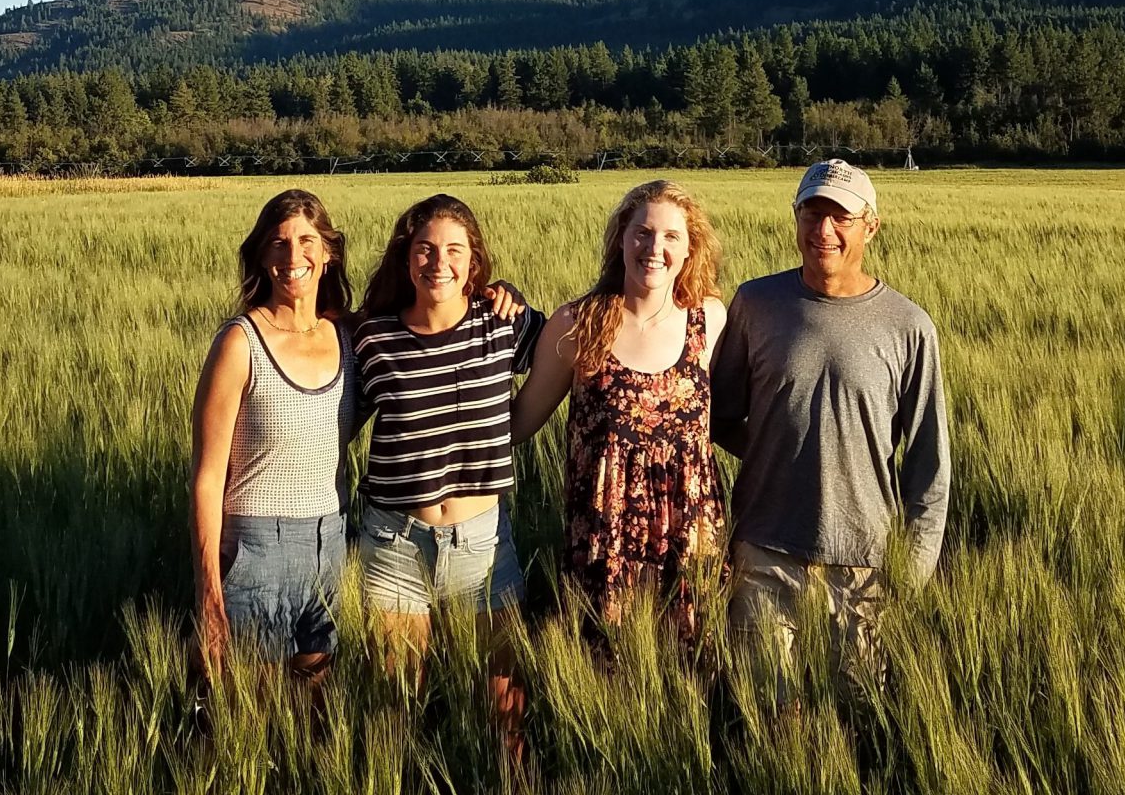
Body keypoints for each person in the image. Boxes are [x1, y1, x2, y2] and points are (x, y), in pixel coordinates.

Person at [709, 159, 950, 685]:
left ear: (871, 225)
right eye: (811, 213)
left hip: (864, 563)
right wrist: (780, 448)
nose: (824, 231)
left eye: (840, 217)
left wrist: (911, 570)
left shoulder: (909, 326)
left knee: (857, 716)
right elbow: (718, 414)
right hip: (764, 552)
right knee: (769, 715)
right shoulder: (755, 303)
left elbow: (930, 462)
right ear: (794, 217)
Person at [351, 194, 542, 745]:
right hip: (394, 545)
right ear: (406, 258)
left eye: (455, 250)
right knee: (396, 706)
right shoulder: (372, 337)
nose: (439, 262)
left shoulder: (507, 325)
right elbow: (332, 419)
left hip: (483, 547)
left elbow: (574, 347)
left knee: (505, 706)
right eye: (426, 249)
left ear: (474, 262)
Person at [512, 179, 729, 641]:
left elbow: (738, 413)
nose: (655, 248)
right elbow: (519, 422)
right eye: (643, 233)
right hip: (603, 542)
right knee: (606, 668)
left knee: (688, 678)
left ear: (690, 250)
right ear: (621, 240)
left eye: (672, 237)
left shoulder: (710, 320)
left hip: (689, 540)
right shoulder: (578, 324)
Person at [188, 189, 358, 684]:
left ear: (328, 253)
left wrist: (497, 294)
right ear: (262, 256)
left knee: (314, 710)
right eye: (278, 244)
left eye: (307, 241)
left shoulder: (347, 335)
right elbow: (206, 478)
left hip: (331, 543)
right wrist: (209, 595)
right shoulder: (240, 343)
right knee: (252, 716)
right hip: (257, 550)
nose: (293, 256)